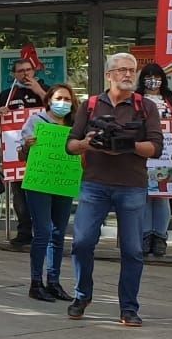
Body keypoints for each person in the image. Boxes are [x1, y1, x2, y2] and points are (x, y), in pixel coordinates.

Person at [65, 52, 163, 325]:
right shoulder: (91, 105)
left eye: (132, 70)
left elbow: (156, 148)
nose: (128, 75)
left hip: (131, 184)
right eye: (121, 70)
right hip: (95, 183)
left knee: (132, 249)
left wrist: (127, 144)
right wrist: (89, 142)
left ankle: (128, 308)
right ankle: (82, 295)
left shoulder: (146, 107)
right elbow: (70, 145)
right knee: (82, 242)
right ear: (109, 75)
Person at [23, 85, 77, 303]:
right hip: (40, 182)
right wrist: (27, 146)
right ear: (49, 100)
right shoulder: (36, 122)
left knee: (58, 233)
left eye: (67, 99)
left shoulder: (74, 126)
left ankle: (53, 282)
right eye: (58, 98)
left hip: (63, 183)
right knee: (43, 231)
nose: (62, 102)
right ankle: (36, 282)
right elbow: (22, 154)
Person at [0, 57, 48, 249]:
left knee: (42, 192)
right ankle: (24, 232)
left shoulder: (47, 89)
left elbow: (59, 111)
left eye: (28, 70)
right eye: (21, 71)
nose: (25, 74)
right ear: (14, 74)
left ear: (34, 71)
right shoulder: (7, 94)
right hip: (16, 152)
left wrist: (39, 92)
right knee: (19, 193)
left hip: (43, 150)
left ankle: (44, 231)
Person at [137, 62, 172, 257]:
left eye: (157, 76)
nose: (153, 81)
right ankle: (146, 235)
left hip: (167, 155)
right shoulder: (136, 99)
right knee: (146, 196)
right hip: (145, 154)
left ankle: (160, 236)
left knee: (163, 198)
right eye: (148, 76)